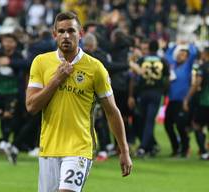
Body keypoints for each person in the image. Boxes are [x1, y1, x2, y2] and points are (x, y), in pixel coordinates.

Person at [26, 12, 132, 192]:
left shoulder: (95, 68)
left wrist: (124, 151)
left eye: (71, 31)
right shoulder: (41, 62)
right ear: (54, 34)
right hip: (49, 148)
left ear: (80, 33)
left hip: (80, 148)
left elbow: (112, 111)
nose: (66, 36)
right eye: (61, 31)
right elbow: (31, 106)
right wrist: (56, 80)